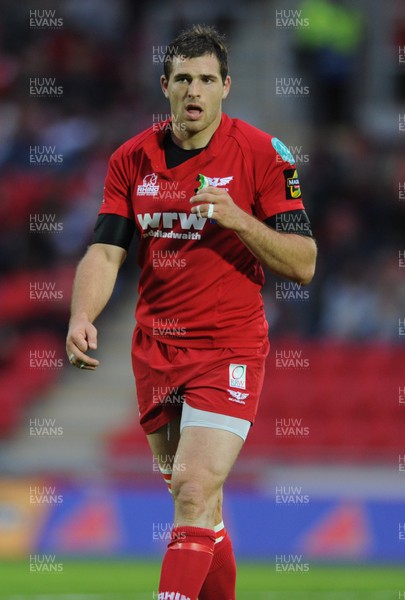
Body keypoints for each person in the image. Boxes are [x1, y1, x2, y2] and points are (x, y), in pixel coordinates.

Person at [66, 24, 317, 600]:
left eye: (206, 79)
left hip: (227, 348)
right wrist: (83, 315)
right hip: (154, 350)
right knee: (202, 508)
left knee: (192, 489)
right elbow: (106, 251)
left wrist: (238, 219)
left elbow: (303, 262)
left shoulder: (263, 154)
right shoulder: (132, 159)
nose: (194, 90)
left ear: (226, 86)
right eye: (183, 79)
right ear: (165, 86)